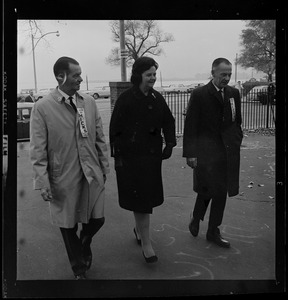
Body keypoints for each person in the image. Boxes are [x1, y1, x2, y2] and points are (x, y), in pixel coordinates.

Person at [30, 56, 109, 279]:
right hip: (62, 177)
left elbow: (100, 138)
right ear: (60, 77)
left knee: (97, 219)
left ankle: (86, 241)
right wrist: (42, 182)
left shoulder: (89, 103)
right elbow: (37, 150)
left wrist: (104, 168)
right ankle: (79, 268)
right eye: (76, 75)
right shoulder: (43, 108)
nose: (80, 79)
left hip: (91, 173)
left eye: (80, 74)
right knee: (67, 226)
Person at [109, 56, 176, 263]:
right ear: (139, 75)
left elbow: (169, 121)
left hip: (151, 158)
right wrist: (118, 158)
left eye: (155, 74)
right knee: (142, 202)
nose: (153, 78)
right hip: (131, 160)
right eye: (149, 75)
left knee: (145, 199)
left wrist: (170, 143)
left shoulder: (156, 98)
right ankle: (147, 244)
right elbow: (115, 130)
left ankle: (140, 232)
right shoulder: (126, 99)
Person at [183, 57, 243, 248]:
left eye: (229, 74)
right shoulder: (200, 94)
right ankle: (197, 217)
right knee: (206, 189)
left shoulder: (234, 93)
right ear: (213, 73)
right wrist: (190, 153)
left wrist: (237, 138)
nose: (226, 78)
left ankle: (213, 230)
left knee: (221, 192)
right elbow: (190, 125)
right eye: (223, 74)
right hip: (206, 153)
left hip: (227, 152)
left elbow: (237, 121)